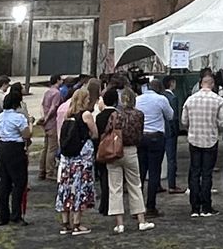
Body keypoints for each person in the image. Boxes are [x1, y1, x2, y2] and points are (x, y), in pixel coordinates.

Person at [98, 77, 151, 233]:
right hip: (131, 150)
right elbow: (140, 133)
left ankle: (119, 223)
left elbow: (107, 131)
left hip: (115, 151)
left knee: (115, 187)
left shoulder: (116, 115)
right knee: (135, 185)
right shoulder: (139, 115)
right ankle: (141, 219)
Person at [54, 79, 100, 235]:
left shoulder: (68, 115)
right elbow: (95, 134)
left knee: (66, 188)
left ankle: (65, 223)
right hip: (82, 157)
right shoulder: (86, 115)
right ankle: (77, 223)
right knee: (79, 188)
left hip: (67, 159)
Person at [181, 70, 223, 217]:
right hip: (210, 139)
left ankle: (194, 207)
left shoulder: (190, 100)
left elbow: (184, 121)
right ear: (212, 84)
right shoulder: (218, 100)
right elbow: (222, 122)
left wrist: (192, 127)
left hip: (194, 139)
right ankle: (206, 207)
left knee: (194, 172)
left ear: (201, 84)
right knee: (207, 174)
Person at [134, 75, 173, 218]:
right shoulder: (161, 99)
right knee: (154, 172)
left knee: (140, 173)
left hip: (141, 137)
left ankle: (137, 206)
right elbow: (170, 115)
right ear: (160, 89)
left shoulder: (138, 100)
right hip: (156, 137)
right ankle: (151, 206)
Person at [0, 83, 31, 227]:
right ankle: (16, 214)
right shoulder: (19, 117)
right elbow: (26, 134)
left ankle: (2, 215)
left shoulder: (1, 117)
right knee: (20, 182)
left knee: (5, 182)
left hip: (2, 147)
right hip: (15, 148)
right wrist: (31, 125)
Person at [39, 74, 65, 180]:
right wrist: (47, 117)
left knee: (45, 148)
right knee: (52, 148)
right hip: (52, 122)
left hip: (46, 123)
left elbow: (42, 105)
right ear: (57, 81)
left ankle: (42, 170)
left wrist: (43, 117)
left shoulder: (47, 92)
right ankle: (50, 171)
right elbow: (53, 107)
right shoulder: (57, 93)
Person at [160, 76, 183, 194]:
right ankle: (172, 184)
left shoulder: (161, 97)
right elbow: (173, 117)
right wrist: (176, 130)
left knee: (160, 157)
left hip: (160, 129)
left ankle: (159, 183)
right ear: (171, 83)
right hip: (170, 131)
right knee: (171, 158)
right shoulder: (172, 98)